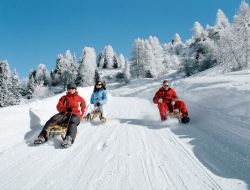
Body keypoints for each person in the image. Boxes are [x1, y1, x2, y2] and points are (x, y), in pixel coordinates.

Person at [34, 83, 86, 148]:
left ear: (75, 89)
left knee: (72, 121)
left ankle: (69, 139)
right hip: (65, 113)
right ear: (68, 89)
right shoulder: (64, 98)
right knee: (53, 119)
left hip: (75, 115)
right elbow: (59, 106)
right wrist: (66, 109)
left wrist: (80, 116)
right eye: (69, 88)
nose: (71, 90)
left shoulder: (80, 99)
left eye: (73, 88)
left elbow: (83, 108)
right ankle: (43, 136)